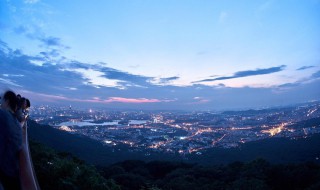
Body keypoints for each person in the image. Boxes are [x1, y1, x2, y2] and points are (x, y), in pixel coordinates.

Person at [0, 90, 22, 190]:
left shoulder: (3, 115)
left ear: (7, 102)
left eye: (2, 100)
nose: (1, 103)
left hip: (3, 174)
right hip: (12, 174)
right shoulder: (17, 124)